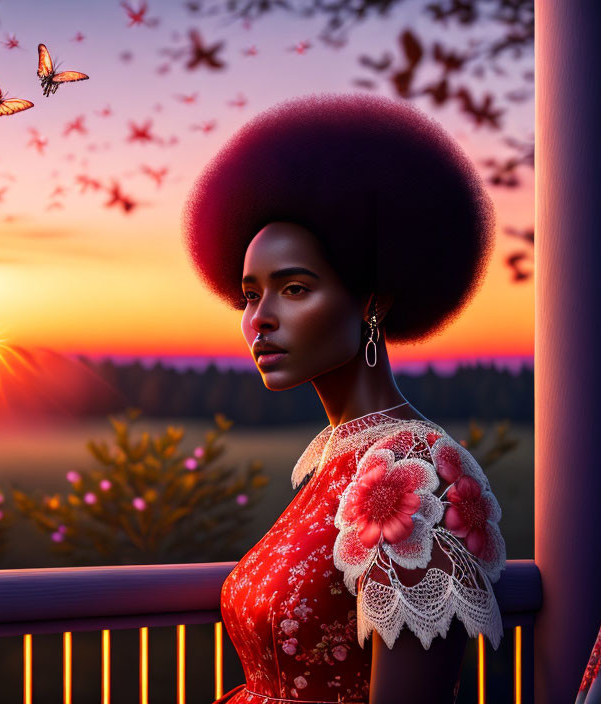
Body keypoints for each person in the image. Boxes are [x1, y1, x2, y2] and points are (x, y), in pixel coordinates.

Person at [182, 93, 507, 704]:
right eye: (249, 296)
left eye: (295, 288)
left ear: (371, 302)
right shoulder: (337, 459)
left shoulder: (417, 472)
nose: (261, 320)